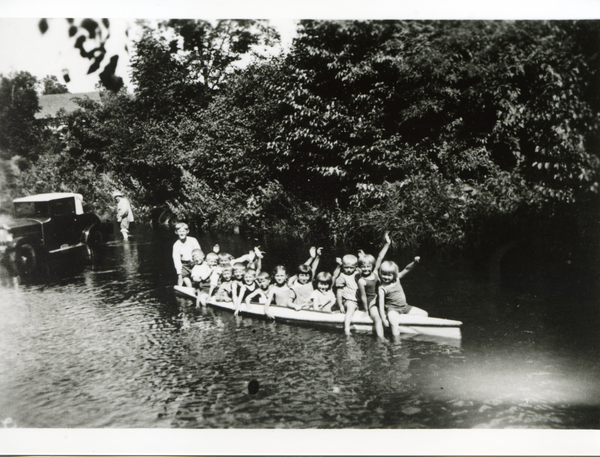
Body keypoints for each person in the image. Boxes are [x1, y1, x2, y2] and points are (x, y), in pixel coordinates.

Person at [378, 258, 428, 339]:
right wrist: (383, 319)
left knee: (424, 314)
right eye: (384, 274)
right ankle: (396, 342)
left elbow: (407, 269)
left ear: (394, 274)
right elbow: (381, 305)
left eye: (389, 275)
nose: (386, 277)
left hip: (404, 307)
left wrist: (414, 262)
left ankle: (412, 330)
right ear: (380, 273)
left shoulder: (397, 279)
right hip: (393, 309)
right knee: (394, 324)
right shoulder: (382, 288)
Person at [357, 232, 391, 338]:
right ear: (360, 268)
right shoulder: (361, 280)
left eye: (368, 266)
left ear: (372, 266)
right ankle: (381, 339)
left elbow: (380, 257)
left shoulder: (376, 273)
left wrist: (387, 244)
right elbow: (363, 296)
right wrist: (366, 310)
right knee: (377, 318)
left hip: (382, 299)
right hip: (372, 303)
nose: (366, 269)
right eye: (363, 267)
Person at [335, 253, 360, 335]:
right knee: (350, 309)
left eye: (351, 268)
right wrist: (340, 305)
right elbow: (339, 292)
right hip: (349, 299)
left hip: (359, 299)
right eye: (346, 267)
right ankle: (347, 329)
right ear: (343, 266)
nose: (348, 270)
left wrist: (362, 257)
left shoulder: (357, 273)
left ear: (356, 267)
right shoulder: (342, 276)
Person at [172, 222, 203, 286]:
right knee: (183, 277)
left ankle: (200, 288)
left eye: (183, 231)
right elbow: (176, 260)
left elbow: (199, 252)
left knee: (198, 276)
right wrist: (179, 274)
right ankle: (189, 289)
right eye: (179, 231)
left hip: (195, 262)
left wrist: (199, 262)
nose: (181, 233)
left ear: (187, 231)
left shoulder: (193, 240)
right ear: (176, 232)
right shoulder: (176, 245)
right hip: (184, 265)